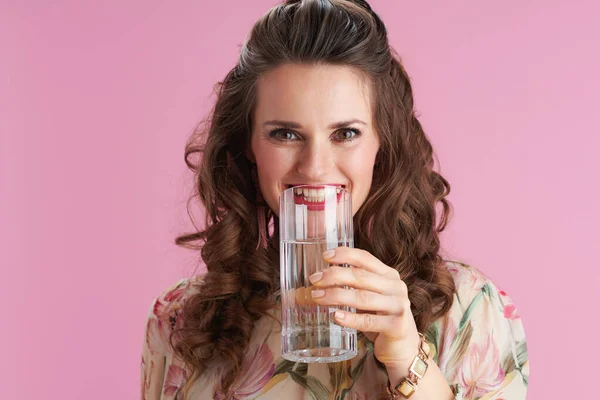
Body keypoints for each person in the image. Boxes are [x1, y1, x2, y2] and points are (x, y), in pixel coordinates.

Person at [140, 1, 529, 399]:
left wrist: (406, 357)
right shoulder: (180, 322)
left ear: (382, 143)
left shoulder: (467, 313)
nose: (315, 168)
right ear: (248, 145)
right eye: (285, 134)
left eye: (345, 133)